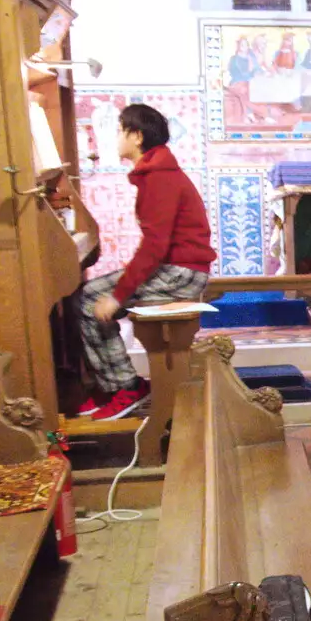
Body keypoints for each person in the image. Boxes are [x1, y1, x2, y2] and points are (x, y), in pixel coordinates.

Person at [76, 104, 217, 420]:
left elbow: (155, 246)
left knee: (89, 299)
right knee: (89, 296)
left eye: (118, 130)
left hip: (182, 273)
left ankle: (123, 387)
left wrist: (117, 296)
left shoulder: (159, 178)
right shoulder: (156, 172)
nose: (115, 138)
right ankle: (114, 385)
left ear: (136, 136)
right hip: (179, 267)